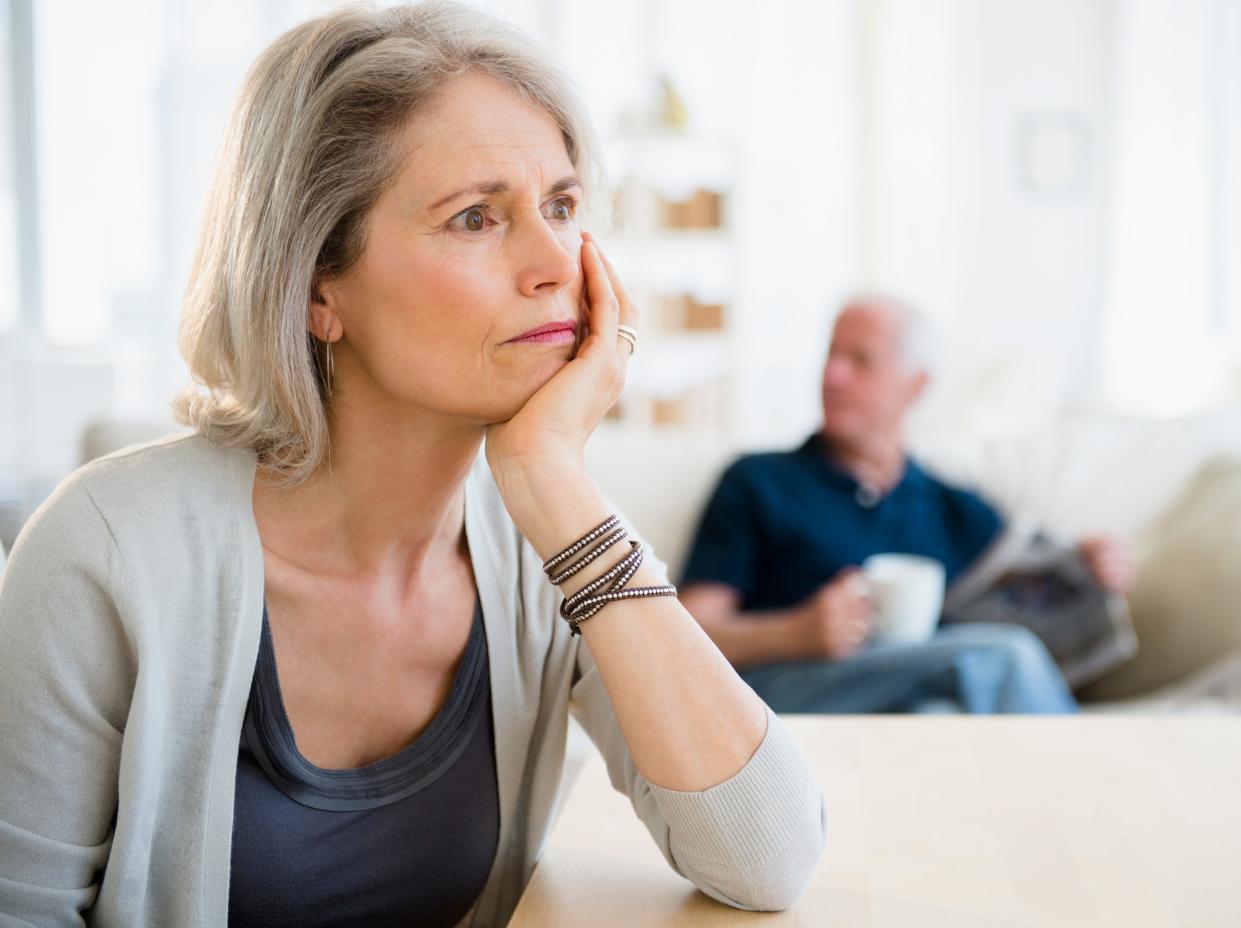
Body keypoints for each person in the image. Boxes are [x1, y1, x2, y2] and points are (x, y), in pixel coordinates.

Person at [0, 4, 825, 925]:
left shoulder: (543, 546)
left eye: (561, 205)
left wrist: (556, 483)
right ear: (316, 286)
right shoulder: (104, 553)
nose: (557, 261)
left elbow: (768, 858)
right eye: (476, 218)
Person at [679, 293, 1135, 715]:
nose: (834, 375)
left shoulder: (952, 506)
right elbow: (686, 634)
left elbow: (1021, 575)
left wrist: (1087, 563)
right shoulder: (758, 481)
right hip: (789, 695)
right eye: (831, 355)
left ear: (915, 386)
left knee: (939, 715)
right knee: (998, 657)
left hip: (912, 702)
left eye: (860, 360)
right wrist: (798, 632)